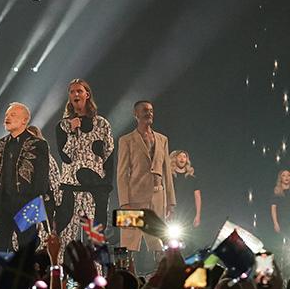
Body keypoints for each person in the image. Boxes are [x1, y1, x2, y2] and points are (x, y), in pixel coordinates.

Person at [54, 79, 115, 252]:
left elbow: (109, 154)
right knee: (65, 238)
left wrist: (106, 187)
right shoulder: (63, 125)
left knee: (95, 240)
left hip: (95, 188)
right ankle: (62, 277)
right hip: (70, 188)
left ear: (87, 95)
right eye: (72, 92)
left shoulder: (101, 124)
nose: (75, 94)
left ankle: (96, 277)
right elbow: (65, 156)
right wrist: (73, 132)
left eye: (79, 91)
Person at [0, 103, 53, 252]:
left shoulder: (38, 144)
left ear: (25, 120)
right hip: (1, 205)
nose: (7, 117)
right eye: (6, 115)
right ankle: (0, 275)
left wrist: (34, 205)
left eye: (13, 115)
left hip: (25, 204)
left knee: (26, 248)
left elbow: (41, 178)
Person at [116, 100, 174, 255]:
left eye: (151, 110)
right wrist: (124, 202)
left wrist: (171, 202)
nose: (149, 113)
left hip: (158, 197)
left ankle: (159, 274)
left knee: (158, 241)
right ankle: (124, 275)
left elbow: (167, 171)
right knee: (128, 241)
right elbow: (122, 173)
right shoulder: (126, 140)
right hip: (134, 198)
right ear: (136, 114)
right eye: (145, 110)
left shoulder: (162, 139)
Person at [170, 150, 201, 232]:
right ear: (175, 159)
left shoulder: (192, 179)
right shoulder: (169, 177)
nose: (182, 159)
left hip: (187, 214)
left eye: (184, 157)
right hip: (171, 212)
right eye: (180, 156)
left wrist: (198, 215)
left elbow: (197, 197)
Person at [272, 169, 290, 235]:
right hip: (282, 222)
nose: (286, 177)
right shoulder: (277, 192)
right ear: (280, 178)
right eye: (284, 175)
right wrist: (275, 223)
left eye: (288, 175)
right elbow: (273, 208)